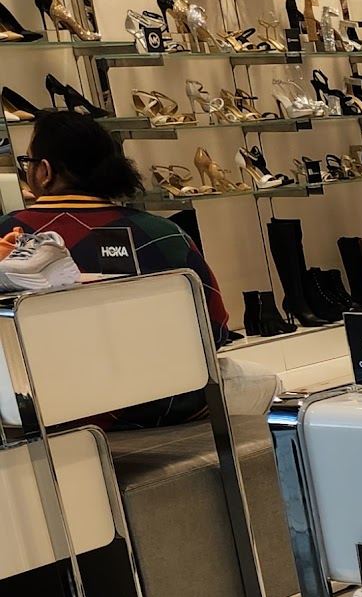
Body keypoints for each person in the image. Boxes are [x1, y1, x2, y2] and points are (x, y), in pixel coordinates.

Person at [5, 109, 228, 426]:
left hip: (44, 415)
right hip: (164, 407)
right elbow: (215, 327)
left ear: (44, 171)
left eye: (27, 162)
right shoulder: (163, 234)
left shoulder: (7, 234)